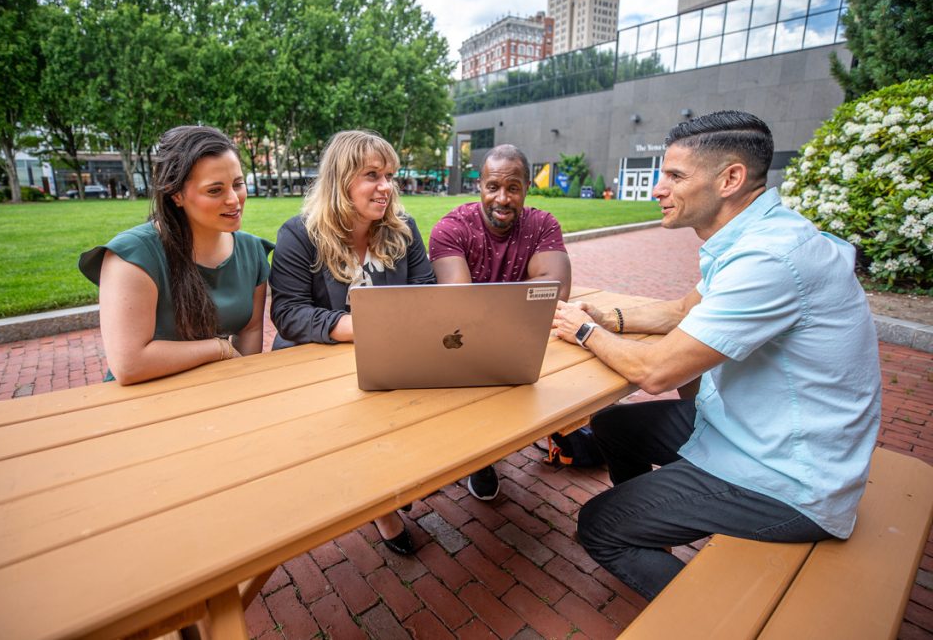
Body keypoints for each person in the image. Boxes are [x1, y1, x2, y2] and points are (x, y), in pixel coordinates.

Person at [553, 110, 881, 601]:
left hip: (791, 478)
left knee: (598, 524)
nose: (657, 189)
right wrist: (604, 318)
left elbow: (657, 372)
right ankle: (649, 530)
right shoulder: (760, 235)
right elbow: (682, 312)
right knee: (614, 426)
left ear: (730, 179)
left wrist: (580, 331)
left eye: (675, 176)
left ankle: (713, 619)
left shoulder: (769, 259)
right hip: (752, 429)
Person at [269, 129, 436, 555]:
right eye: (373, 175)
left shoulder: (403, 229)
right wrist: (360, 326)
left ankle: (391, 483)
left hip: (390, 356)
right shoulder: (300, 234)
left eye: (390, 176)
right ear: (341, 180)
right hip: (316, 364)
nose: (386, 188)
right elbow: (288, 314)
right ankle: (381, 506)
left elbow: (426, 290)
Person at [428, 144, 572, 501]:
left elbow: (557, 291)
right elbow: (460, 307)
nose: (503, 198)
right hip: (466, 345)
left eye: (513, 188)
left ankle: (545, 432)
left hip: (522, 338)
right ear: (479, 186)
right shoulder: (451, 228)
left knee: (557, 373)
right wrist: (525, 297)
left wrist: (489, 301)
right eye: (493, 186)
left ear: (526, 188)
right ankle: (481, 457)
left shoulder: (543, 224)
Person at [78, 125, 269, 385]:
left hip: (219, 389)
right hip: (142, 397)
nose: (234, 200)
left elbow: (251, 329)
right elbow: (128, 364)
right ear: (176, 194)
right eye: (215, 190)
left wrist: (241, 384)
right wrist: (219, 349)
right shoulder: (133, 256)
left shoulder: (251, 250)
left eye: (238, 184)